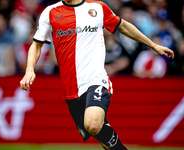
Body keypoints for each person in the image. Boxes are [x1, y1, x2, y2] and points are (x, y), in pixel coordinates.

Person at [20, 0, 174, 149]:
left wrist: (153, 46)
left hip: (96, 79)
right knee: (102, 136)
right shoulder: (50, 13)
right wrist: (29, 70)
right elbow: (37, 44)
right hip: (71, 89)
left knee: (92, 124)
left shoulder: (97, 8)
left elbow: (123, 26)